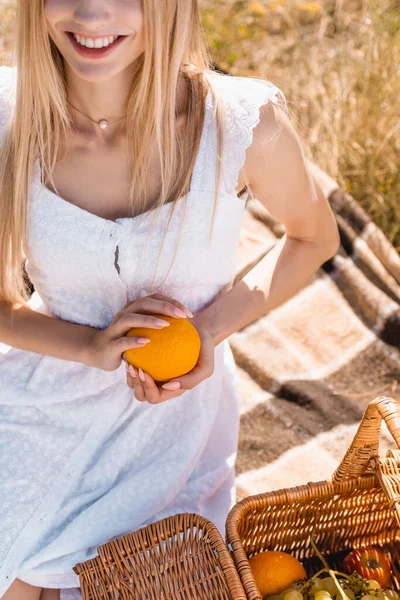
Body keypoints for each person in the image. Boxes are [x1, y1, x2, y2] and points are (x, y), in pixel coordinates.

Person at [0, 0, 340, 599]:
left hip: (174, 414)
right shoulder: (11, 120)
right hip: (47, 386)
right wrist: (90, 346)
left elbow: (315, 237)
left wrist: (208, 330)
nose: (90, 13)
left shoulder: (240, 125)